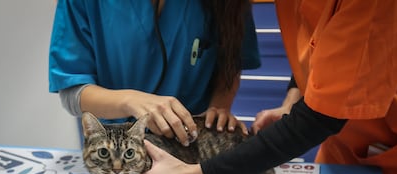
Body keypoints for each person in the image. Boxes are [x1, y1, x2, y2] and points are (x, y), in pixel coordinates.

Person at [105, 1, 397, 174]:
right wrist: (293, 101)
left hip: (390, 159)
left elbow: (321, 119)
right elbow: (320, 47)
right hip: (341, 153)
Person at [49, 0, 260, 146]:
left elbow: (231, 62)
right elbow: (72, 91)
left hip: (191, 145)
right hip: (117, 150)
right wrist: (129, 100)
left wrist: (219, 107)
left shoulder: (227, 5)